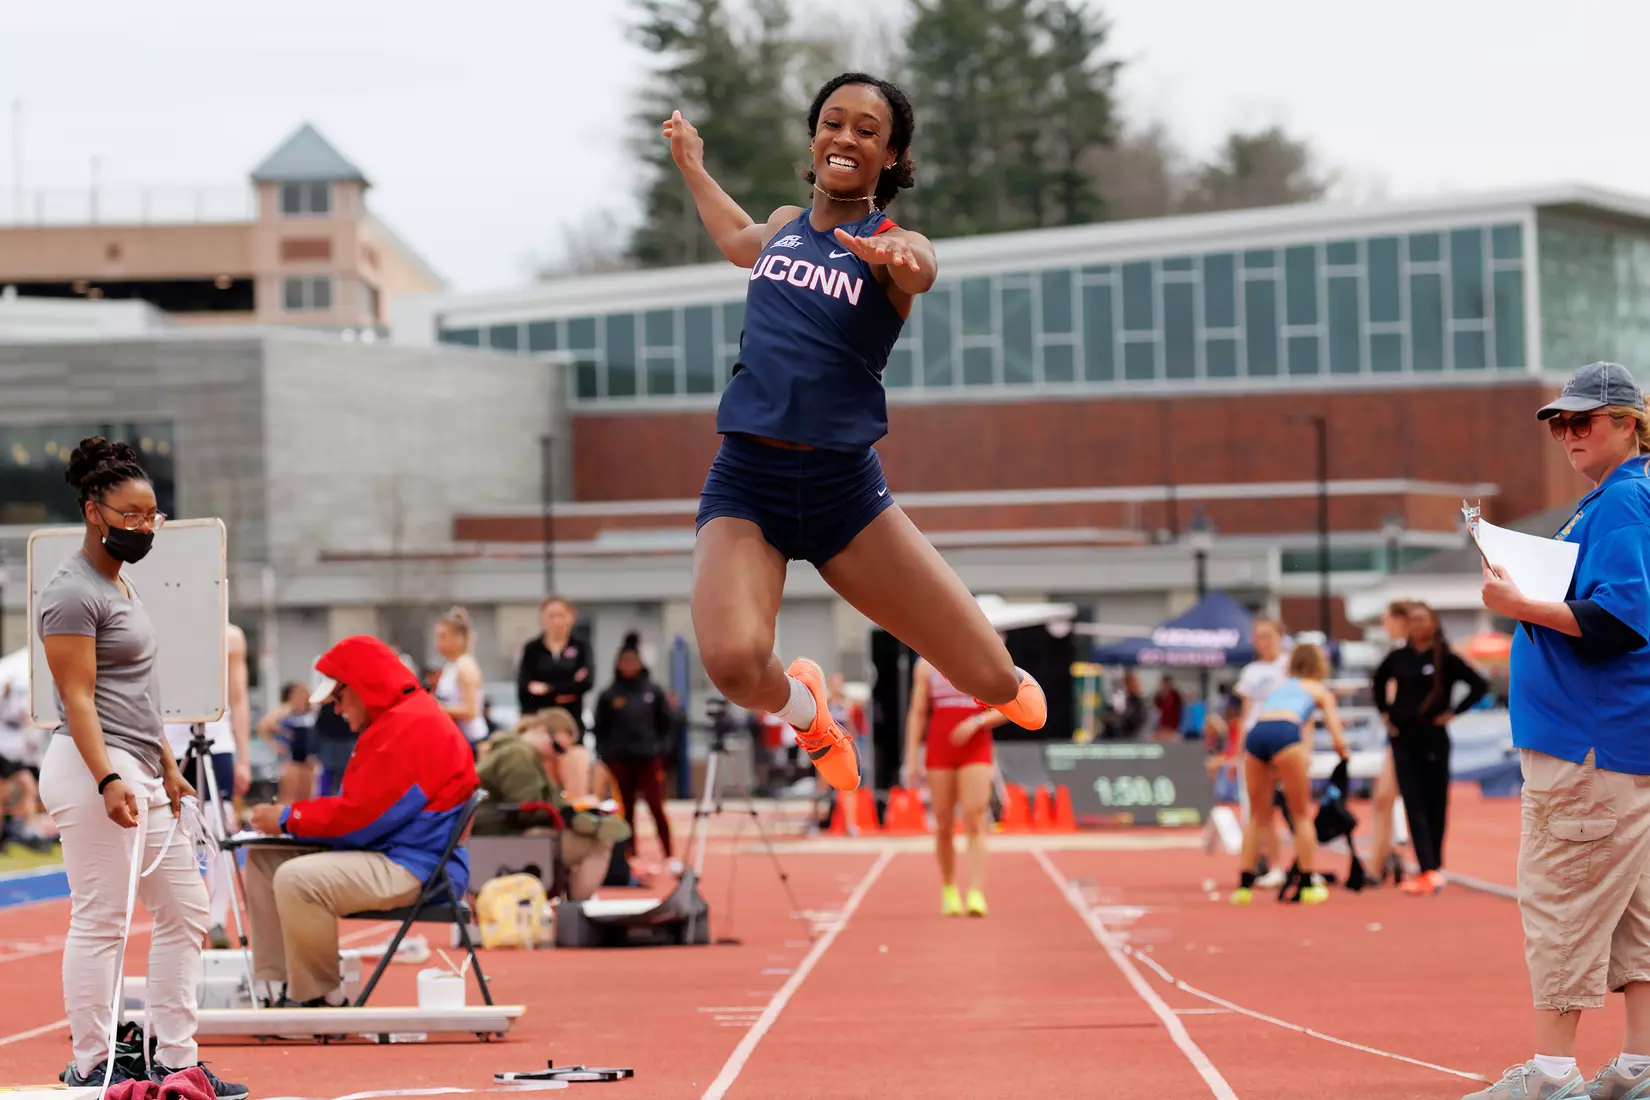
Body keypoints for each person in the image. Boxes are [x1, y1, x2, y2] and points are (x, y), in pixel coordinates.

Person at [663, 72, 1046, 795]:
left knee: (998, 684)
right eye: (833, 123)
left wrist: (901, 260)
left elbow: (923, 268)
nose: (846, 138)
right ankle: (809, 712)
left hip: (846, 496)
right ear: (814, 139)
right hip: (748, 481)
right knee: (736, 666)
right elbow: (734, 237)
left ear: (892, 157)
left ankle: (997, 670)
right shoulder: (780, 227)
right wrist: (692, 165)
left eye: (867, 131)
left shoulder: (892, 243)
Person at [36, 437, 246, 1097]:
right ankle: (93, 1063)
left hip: (140, 765)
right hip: (93, 766)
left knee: (186, 909)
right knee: (102, 918)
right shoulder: (71, 592)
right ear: (95, 511)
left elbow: (138, 694)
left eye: (152, 513)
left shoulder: (120, 584)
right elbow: (77, 699)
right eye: (131, 514)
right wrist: (109, 778)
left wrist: (165, 763)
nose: (145, 525)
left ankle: (173, 1059)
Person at [1466, 362, 1650, 1100]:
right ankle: (1637, 1067)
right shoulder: (1618, 501)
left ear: (1628, 420)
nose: (1570, 434)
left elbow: (1617, 622)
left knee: (1562, 899)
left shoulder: (1622, 504)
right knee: (1636, 914)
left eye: (1585, 420)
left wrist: (1520, 602)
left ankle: (1552, 1076)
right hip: (1611, 742)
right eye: (1562, 423)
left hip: (1589, 744)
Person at [244, 634, 478, 1007]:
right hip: (403, 852)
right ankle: (274, 988)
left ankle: (317, 998)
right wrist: (290, 823)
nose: (335, 710)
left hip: (419, 866)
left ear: (363, 688)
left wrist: (291, 817)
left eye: (338, 697)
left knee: (296, 878)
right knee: (264, 860)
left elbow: (362, 819)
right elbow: (364, 814)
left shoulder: (409, 726)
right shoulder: (398, 720)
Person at [1370, 601, 1487, 897]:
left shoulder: (1445, 658)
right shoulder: (1398, 657)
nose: (1418, 626)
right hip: (1403, 738)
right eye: (1413, 621)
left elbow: (1479, 685)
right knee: (1413, 802)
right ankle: (1426, 868)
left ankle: (1435, 865)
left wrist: (1454, 711)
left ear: (1434, 623)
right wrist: (1385, 713)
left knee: (1436, 802)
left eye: (1424, 620)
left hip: (1434, 736)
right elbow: (1378, 681)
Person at [1230, 643, 1349, 906]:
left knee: (1258, 815)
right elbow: (1334, 731)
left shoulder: (1279, 687)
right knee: (1301, 813)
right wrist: (1343, 752)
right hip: (1286, 734)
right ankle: (1307, 883)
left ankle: (1244, 887)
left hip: (1258, 735)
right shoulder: (1318, 689)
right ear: (1319, 665)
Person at [474, 708, 630, 902]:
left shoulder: (521, 753)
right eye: (557, 747)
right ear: (541, 730)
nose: (558, 755)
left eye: (563, 751)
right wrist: (571, 810)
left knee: (594, 831)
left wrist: (573, 808)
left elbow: (537, 803)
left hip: (503, 830)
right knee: (599, 842)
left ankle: (574, 905)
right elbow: (528, 807)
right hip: (502, 834)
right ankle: (576, 909)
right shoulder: (517, 755)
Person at [162, 622, 253, 950]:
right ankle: (183, 915)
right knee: (172, 835)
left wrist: (244, 757)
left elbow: (239, 699)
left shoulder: (230, 636)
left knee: (218, 834)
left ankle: (217, 919)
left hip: (217, 744)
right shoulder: (157, 626)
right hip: (168, 745)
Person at [903, 655, 1008, 917]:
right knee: (944, 820)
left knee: (975, 814)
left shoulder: (979, 654)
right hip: (940, 745)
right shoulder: (926, 664)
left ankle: (975, 890)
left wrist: (976, 722)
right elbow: (917, 712)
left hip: (975, 744)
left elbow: (1008, 706)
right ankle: (949, 888)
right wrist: (911, 757)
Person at [592, 635, 676, 867]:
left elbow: (666, 725)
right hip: (620, 760)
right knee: (625, 811)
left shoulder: (653, 692)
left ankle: (670, 854)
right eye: (625, 661)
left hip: (649, 759)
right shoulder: (609, 695)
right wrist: (606, 756)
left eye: (633, 661)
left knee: (656, 807)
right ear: (618, 664)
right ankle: (629, 855)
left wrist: (661, 751)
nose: (629, 666)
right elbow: (600, 729)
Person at [1231, 618, 1292, 886]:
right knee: (1261, 808)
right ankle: (1271, 863)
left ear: (1280, 636)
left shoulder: (1289, 666)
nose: (1264, 642)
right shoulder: (1251, 671)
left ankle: (1305, 865)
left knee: (1294, 807)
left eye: (1269, 636)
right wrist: (1238, 750)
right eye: (1259, 637)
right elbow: (1246, 713)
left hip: (1285, 738)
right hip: (1257, 741)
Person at [1366, 600, 1412, 886]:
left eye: (1386, 619)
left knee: (1391, 797)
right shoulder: (1396, 651)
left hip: (1408, 732)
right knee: (1384, 798)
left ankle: (1382, 862)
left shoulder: (1412, 652)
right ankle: (1386, 857)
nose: (1383, 625)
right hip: (1395, 731)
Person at [517, 596, 592, 729]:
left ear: (571, 617)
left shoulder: (581, 647)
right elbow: (525, 687)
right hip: (538, 721)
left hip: (571, 720)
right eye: (551, 616)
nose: (557, 621)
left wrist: (548, 689)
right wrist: (565, 689)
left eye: (561, 615)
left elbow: (585, 682)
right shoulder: (532, 649)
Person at [433, 606, 490, 756]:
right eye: (437, 637)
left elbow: (471, 710)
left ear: (458, 638)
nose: (438, 642)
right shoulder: (450, 666)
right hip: (457, 738)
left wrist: (438, 708)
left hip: (473, 740)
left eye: (443, 636)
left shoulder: (465, 668)